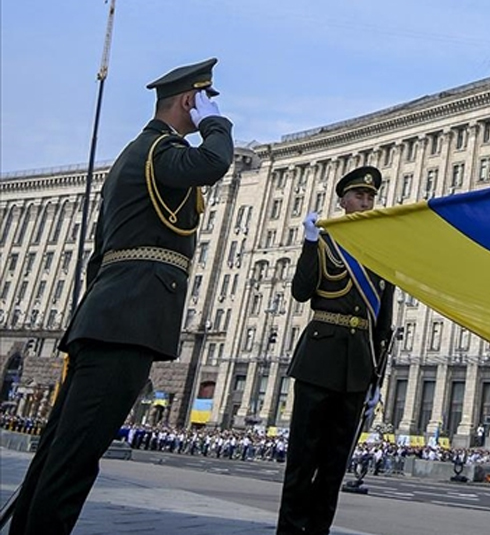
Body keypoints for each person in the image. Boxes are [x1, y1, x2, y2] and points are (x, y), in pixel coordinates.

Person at [8, 59, 234, 535]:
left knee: (61, 452)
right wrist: (217, 123)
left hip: (107, 317)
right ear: (190, 101)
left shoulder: (133, 157)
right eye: (203, 100)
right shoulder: (160, 152)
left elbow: (100, 252)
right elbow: (213, 163)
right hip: (128, 320)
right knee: (74, 461)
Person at [276, 166, 395, 535]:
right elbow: (301, 291)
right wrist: (310, 244)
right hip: (319, 360)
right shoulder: (325, 243)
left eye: (370, 197)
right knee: (302, 458)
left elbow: (383, 325)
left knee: (334, 464)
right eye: (359, 196)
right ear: (343, 202)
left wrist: (377, 378)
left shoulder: (381, 254)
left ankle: (318, 530)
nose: (365, 202)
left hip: (358, 366)